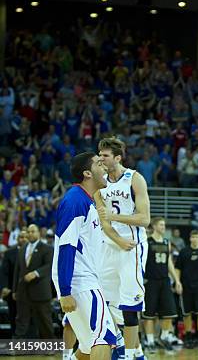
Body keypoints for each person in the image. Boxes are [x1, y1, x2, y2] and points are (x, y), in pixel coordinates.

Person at [51, 152, 117, 359]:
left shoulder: (86, 201)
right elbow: (66, 247)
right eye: (99, 163)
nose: (105, 166)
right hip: (80, 280)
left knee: (88, 347)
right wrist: (65, 291)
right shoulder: (74, 201)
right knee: (105, 338)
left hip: (80, 279)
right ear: (87, 173)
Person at [96, 137, 149, 360]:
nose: (100, 158)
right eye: (99, 155)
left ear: (117, 158)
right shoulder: (100, 183)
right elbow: (104, 221)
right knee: (103, 300)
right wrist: (116, 240)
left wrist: (115, 217)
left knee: (130, 303)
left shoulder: (134, 179)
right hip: (111, 246)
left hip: (133, 247)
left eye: (105, 155)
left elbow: (145, 218)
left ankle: (129, 355)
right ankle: (129, 348)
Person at [142, 217, 182, 353]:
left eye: (164, 225)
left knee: (170, 312)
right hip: (150, 280)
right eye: (161, 224)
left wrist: (176, 280)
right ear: (154, 226)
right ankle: (150, 340)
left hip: (165, 280)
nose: (163, 227)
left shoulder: (167, 242)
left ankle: (164, 336)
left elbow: (169, 262)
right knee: (149, 314)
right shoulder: (147, 242)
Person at [13, 223, 54, 339]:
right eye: (29, 232)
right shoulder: (22, 249)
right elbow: (18, 270)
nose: (30, 233)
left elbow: (50, 265)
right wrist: (15, 289)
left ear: (39, 233)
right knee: (20, 320)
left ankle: (50, 347)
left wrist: (36, 273)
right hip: (23, 291)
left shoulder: (47, 248)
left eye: (33, 231)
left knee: (44, 321)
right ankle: (17, 346)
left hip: (40, 291)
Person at [1, 231, 28, 335]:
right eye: (21, 237)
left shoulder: (34, 251)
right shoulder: (9, 252)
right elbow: (4, 273)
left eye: (26, 237)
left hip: (30, 291)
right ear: (17, 239)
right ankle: (15, 342)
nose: (23, 239)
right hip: (12, 291)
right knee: (13, 316)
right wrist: (4, 287)